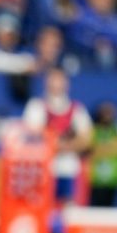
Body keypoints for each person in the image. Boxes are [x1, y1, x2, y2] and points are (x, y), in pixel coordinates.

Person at [22, 68, 93, 205]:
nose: (56, 84)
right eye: (53, 79)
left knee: (69, 210)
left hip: (69, 171)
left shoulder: (77, 109)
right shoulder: (36, 107)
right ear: (46, 82)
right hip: (43, 171)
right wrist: (57, 145)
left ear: (67, 83)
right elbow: (32, 136)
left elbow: (87, 138)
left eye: (60, 79)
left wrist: (63, 146)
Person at [88, 101, 117, 207]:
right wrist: (111, 148)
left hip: (112, 180)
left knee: (110, 212)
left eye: (110, 112)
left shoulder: (116, 131)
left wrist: (102, 149)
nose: (108, 116)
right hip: (96, 180)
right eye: (105, 112)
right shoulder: (94, 131)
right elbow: (90, 152)